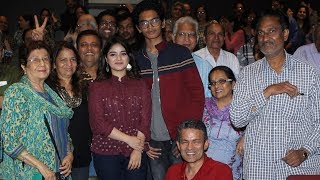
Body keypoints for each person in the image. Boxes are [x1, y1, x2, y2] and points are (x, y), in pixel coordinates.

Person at [230, 10, 320, 179]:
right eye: (261, 33)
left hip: (299, 167)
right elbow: (237, 118)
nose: (265, 38)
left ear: (285, 34)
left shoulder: (308, 73)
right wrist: (267, 92)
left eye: (272, 31)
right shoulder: (248, 74)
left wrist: (305, 151)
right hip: (259, 168)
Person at [132, 1, 205, 179]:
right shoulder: (135, 59)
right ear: (138, 28)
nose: (150, 26)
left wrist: (187, 135)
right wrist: (143, 140)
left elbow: (197, 94)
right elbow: (132, 103)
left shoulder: (180, 53)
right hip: (152, 139)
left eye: (155, 21)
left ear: (163, 23)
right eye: (144, 23)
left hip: (179, 136)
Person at [0, 41, 73, 179]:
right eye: (35, 59)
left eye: (46, 58)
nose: (42, 63)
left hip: (59, 170)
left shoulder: (53, 95)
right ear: (24, 66)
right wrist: (41, 167)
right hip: (32, 172)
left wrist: (69, 154)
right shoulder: (17, 92)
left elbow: (63, 132)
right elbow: (10, 142)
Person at [88, 37, 151, 179]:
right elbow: (98, 124)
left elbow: (145, 119)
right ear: (106, 59)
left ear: (129, 58)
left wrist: (137, 149)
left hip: (136, 150)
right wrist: (129, 140)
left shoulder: (141, 85)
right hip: (106, 152)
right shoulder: (96, 87)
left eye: (123, 53)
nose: (118, 58)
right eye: (113, 54)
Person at [46, 41, 91, 179]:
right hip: (58, 155)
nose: (69, 64)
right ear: (54, 64)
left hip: (82, 152)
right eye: (63, 60)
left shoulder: (85, 86)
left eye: (72, 59)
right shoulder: (47, 89)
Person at [202, 66, 244, 180]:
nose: (216, 86)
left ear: (233, 84)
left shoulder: (243, 109)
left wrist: (247, 137)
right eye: (213, 83)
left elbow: (257, 128)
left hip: (231, 171)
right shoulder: (203, 106)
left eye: (221, 81)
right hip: (204, 169)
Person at [165, 120, 233, 180]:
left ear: (205, 144)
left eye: (196, 142)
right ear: (178, 146)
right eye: (185, 142)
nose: (189, 147)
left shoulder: (220, 172)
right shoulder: (173, 172)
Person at [193, 21, 240, 97]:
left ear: (224, 38)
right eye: (212, 34)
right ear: (204, 38)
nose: (216, 37)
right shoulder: (196, 58)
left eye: (220, 34)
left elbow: (237, 86)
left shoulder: (232, 58)